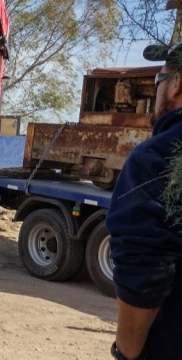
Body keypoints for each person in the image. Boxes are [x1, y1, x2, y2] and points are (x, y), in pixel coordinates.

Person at [106, 42, 182, 360]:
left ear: (177, 84)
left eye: (158, 81)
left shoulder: (160, 156)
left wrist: (127, 354)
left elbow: (145, 267)